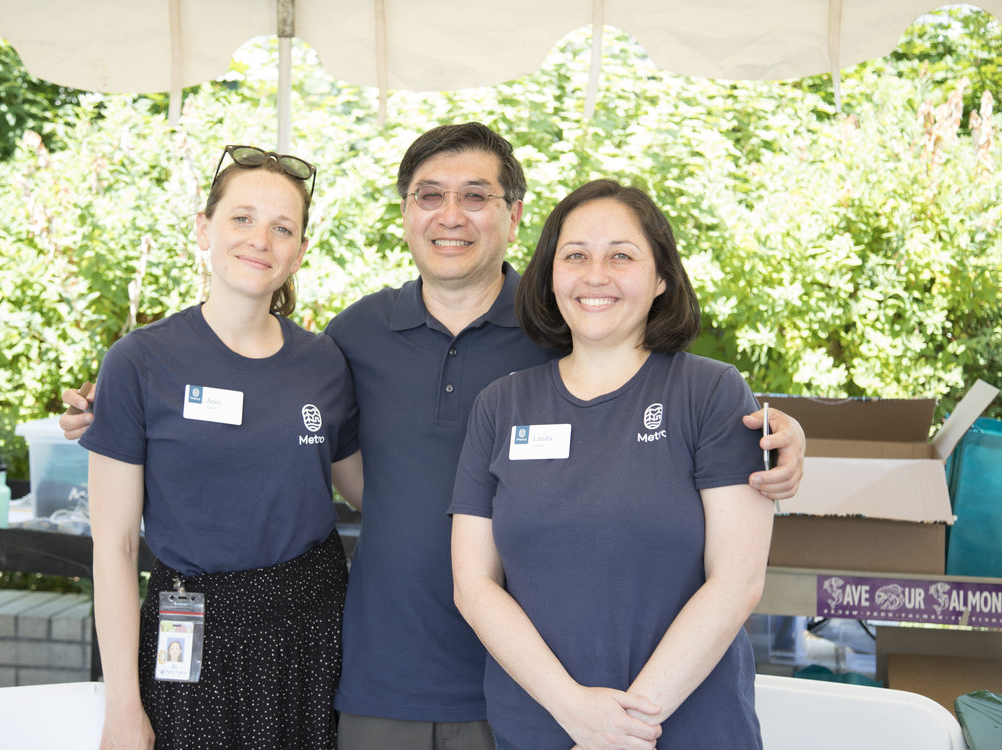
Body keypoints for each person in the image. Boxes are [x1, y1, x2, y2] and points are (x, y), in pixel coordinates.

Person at [62, 123, 804, 750]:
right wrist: (126, 412)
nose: (451, 216)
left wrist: (784, 438)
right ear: (406, 214)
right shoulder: (350, 339)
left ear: (513, 218)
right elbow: (277, 419)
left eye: (475, 197)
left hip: (522, 683)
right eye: (430, 196)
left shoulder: (564, 327)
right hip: (376, 666)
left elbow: (662, 401)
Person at [450, 179, 774, 750]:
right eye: (575, 256)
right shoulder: (500, 406)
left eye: (621, 256)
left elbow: (737, 583)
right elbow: (474, 585)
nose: (595, 274)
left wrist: (621, 731)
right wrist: (575, 710)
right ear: (551, 277)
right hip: (542, 729)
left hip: (688, 729)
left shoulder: (712, 393)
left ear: (661, 279)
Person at [80, 145, 362, 750]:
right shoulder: (139, 362)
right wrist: (122, 707)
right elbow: (116, 546)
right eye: (242, 218)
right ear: (204, 228)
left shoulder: (323, 364)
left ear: (299, 252)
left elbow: (371, 491)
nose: (260, 238)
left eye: (282, 227)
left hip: (311, 633)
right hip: (191, 631)